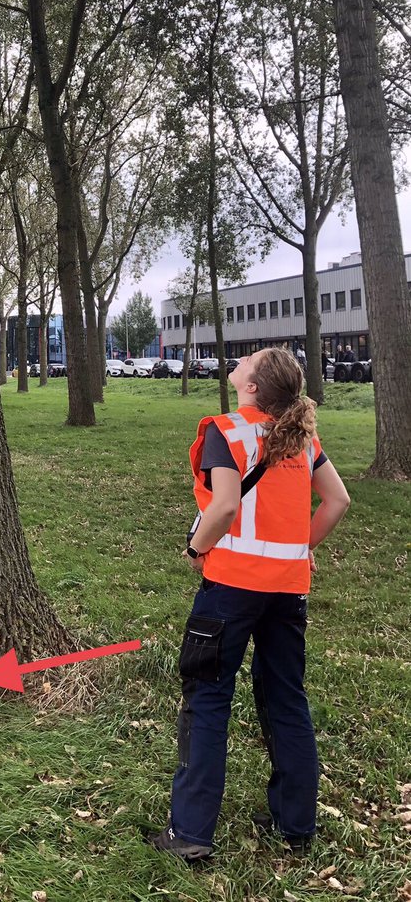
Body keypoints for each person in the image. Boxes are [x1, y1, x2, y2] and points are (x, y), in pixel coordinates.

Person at [149, 348, 350, 861]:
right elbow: (338, 501)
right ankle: (296, 824)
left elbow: (225, 505)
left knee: (208, 696)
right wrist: (298, 548)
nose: (236, 361)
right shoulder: (303, 439)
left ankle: (190, 834)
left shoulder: (226, 430)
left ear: (254, 387)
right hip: (287, 590)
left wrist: (196, 550)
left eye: (246, 360)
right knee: (286, 697)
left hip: (230, 589)